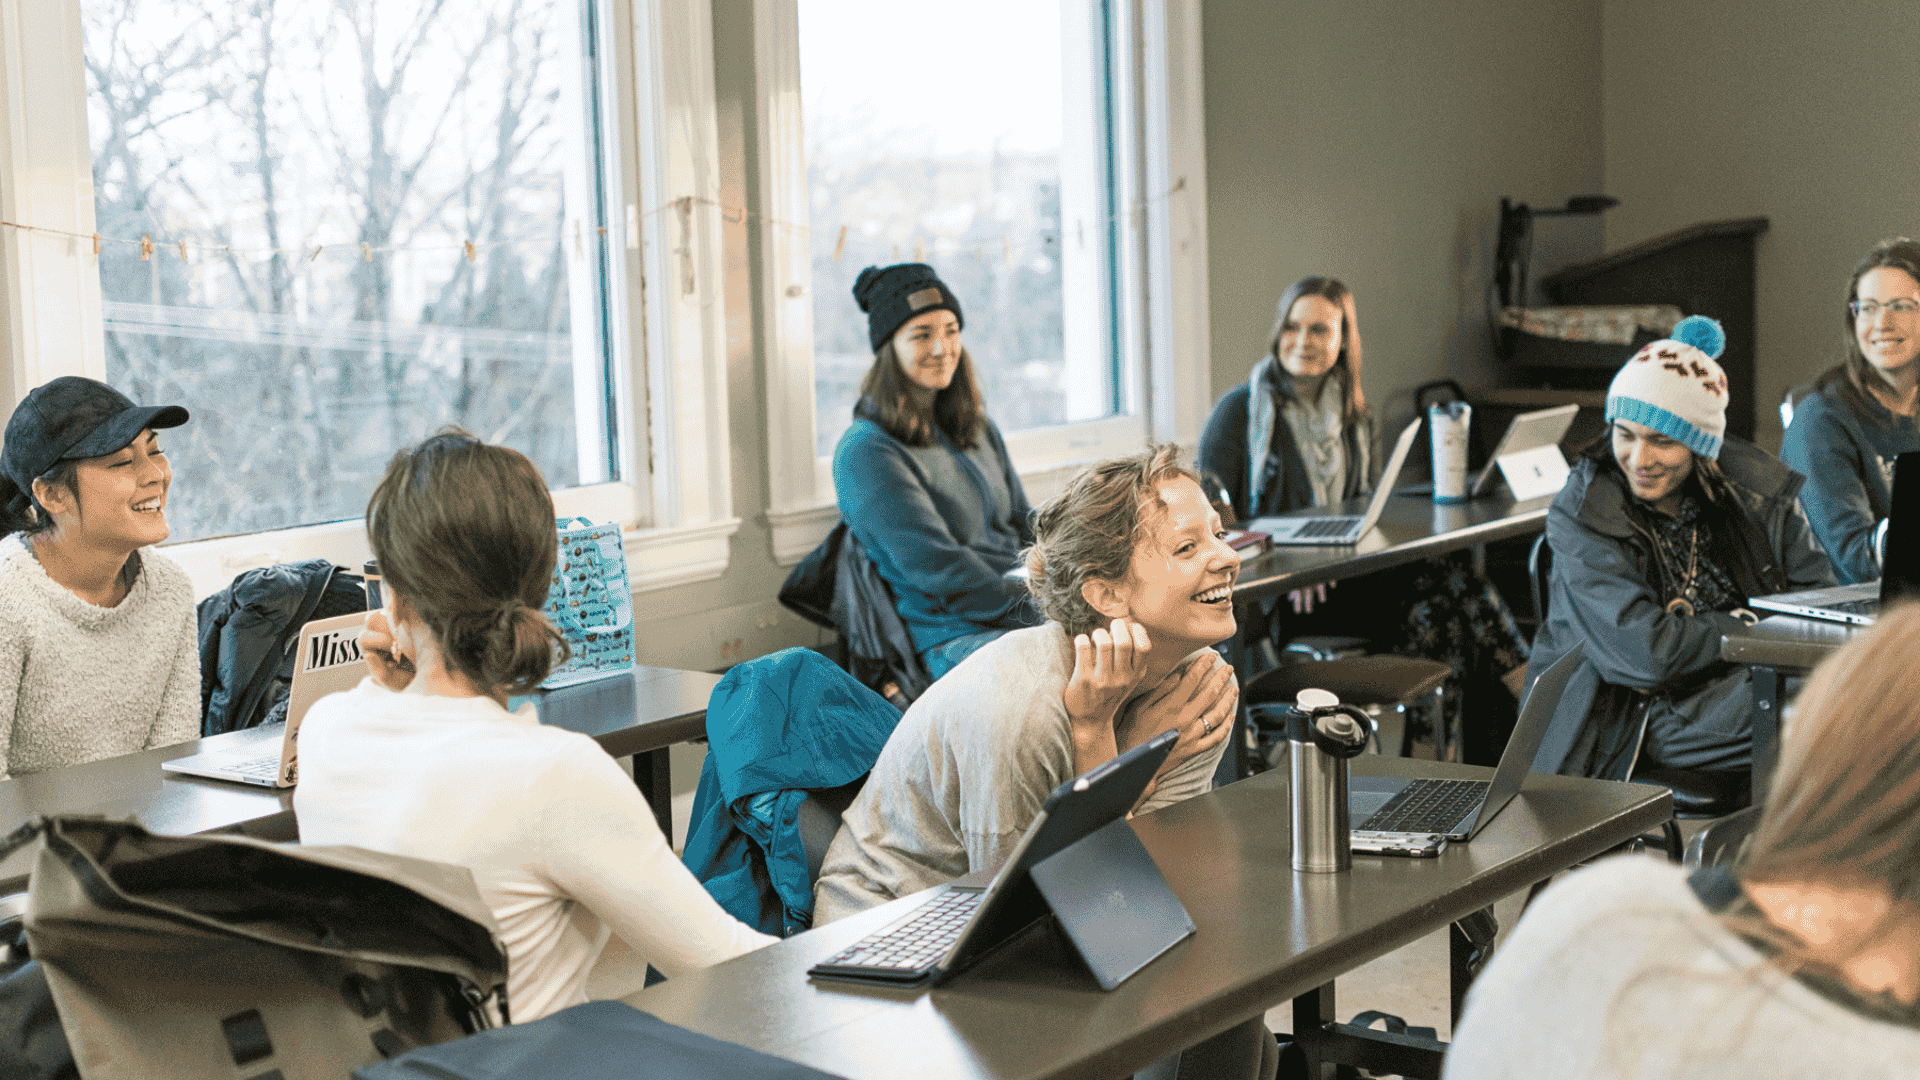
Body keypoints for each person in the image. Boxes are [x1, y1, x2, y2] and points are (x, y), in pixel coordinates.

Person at [294, 430, 774, 1023]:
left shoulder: (326, 731)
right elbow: (728, 965)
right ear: (542, 590)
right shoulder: (554, 773)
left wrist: (402, 691)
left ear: (391, 595)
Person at [1447, 603, 1920, 1077]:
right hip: (1638, 725)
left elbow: (1807, 585)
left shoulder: (1592, 908)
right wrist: (1736, 623)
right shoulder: (1890, 1060)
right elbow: (1647, 650)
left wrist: (1720, 626)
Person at [814, 444, 1238, 925]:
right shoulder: (1019, 715)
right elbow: (1031, 919)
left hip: (1009, 917)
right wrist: (1122, 751)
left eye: (1219, 534)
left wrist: (1128, 769)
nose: (1226, 556)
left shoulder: (1198, 682)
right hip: (884, 927)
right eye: (1188, 547)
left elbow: (1142, 883)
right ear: (1106, 594)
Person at [1197, 276, 1529, 755]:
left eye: (1319, 331)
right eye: (1293, 328)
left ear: (1342, 341)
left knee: (1439, 611)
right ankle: (1535, 706)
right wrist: (1296, 559)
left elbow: (1356, 509)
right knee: (1455, 581)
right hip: (1284, 598)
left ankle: (1433, 765)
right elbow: (1213, 524)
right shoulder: (1239, 411)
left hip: (1343, 577)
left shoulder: (1354, 415)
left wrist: (1324, 552)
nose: (1303, 342)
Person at [1528, 318, 1835, 779]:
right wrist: (1748, 625)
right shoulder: (1583, 513)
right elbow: (1648, 655)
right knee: (1846, 720)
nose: (1639, 459)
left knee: (1870, 703)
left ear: (1699, 445)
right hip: (1638, 717)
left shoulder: (1753, 494)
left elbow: (1820, 603)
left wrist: (1752, 639)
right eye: (1625, 434)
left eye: (1662, 441)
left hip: (1751, 680)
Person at [832, 262, 1038, 681]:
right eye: (922, 335)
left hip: (1020, 608)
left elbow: (1025, 524)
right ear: (890, 348)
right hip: (951, 637)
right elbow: (942, 573)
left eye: (950, 330)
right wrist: (1047, 606)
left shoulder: (977, 427)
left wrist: (1077, 573)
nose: (942, 348)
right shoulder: (866, 451)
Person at [0, 376, 197, 780]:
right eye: (122, 462)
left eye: (155, 451)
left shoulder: (170, 588)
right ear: (52, 495)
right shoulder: (8, 598)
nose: (155, 475)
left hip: (139, 834)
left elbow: (173, 767)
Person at [1781, 237, 1920, 583]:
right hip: (1857, 621)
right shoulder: (1821, 419)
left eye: (1902, 306)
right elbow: (1857, 561)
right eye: (1868, 307)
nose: (1882, 323)